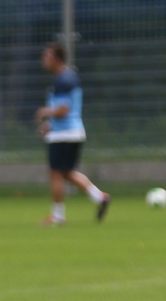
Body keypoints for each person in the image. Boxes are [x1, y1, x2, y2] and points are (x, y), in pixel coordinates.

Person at [34, 44, 110, 226]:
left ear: (57, 59)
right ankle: (99, 197)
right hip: (71, 132)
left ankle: (58, 216)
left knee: (55, 174)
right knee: (67, 172)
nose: (43, 59)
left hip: (64, 134)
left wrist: (45, 112)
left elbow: (63, 110)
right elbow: (67, 110)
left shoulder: (63, 80)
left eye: (47, 56)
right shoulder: (67, 78)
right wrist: (50, 125)